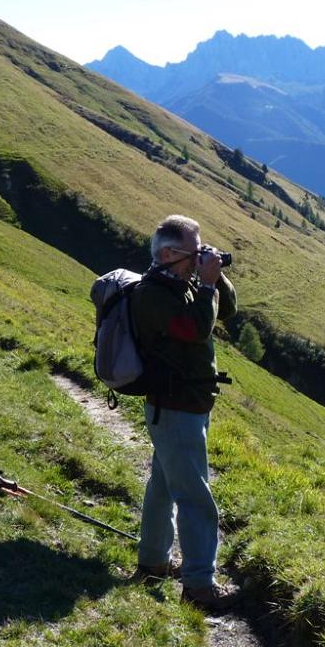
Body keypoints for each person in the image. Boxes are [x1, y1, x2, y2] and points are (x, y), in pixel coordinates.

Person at [130, 214, 239, 611]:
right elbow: (195, 330)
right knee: (195, 496)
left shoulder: (185, 283)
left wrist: (214, 278)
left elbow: (226, 310)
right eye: (195, 250)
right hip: (174, 406)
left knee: (163, 484)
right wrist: (206, 282)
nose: (201, 256)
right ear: (171, 253)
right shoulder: (152, 295)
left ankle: (154, 562)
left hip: (189, 402)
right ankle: (199, 585)